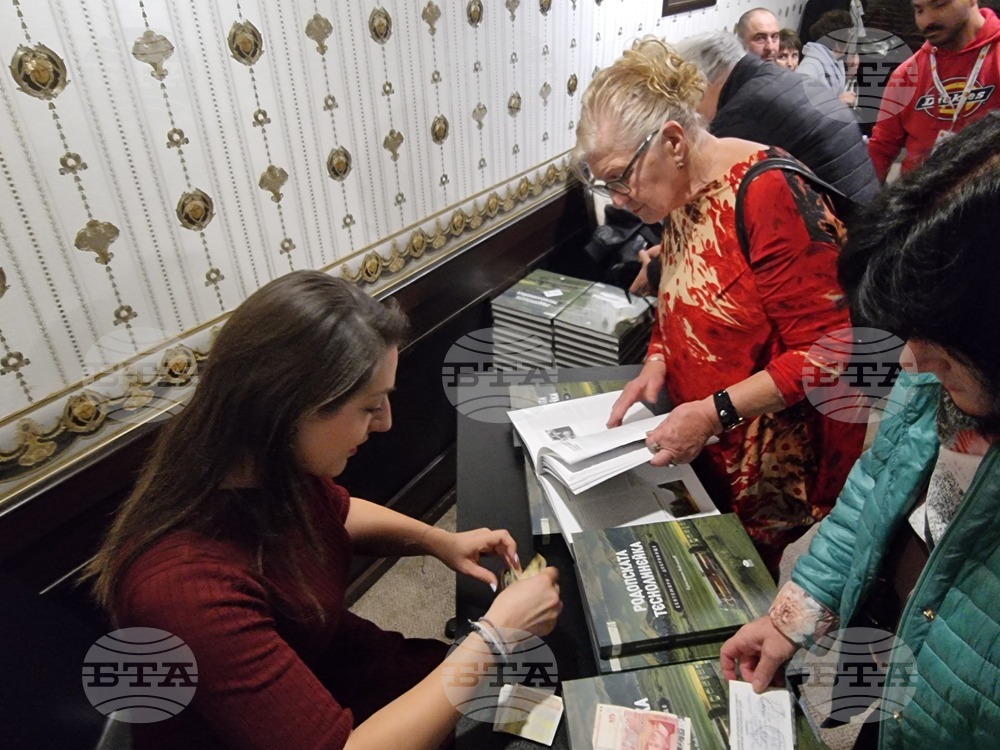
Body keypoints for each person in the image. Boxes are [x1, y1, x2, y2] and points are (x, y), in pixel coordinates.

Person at [84, 271, 562, 750]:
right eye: (370, 406)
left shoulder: (258, 464)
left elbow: (336, 512)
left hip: (327, 659)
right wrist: (495, 637)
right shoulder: (184, 592)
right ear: (289, 408)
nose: (386, 423)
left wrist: (439, 541)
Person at [721, 112, 1000, 749]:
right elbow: (876, 488)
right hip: (906, 687)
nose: (911, 363)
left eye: (941, 346)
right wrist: (791, 618)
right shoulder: (946, 354)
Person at [573, 37, 867, 570]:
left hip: (777, 469)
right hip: (706, 440)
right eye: (603, 182)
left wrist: (713, 412)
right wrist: (659, 357)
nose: (616, 198)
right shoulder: (680, 191)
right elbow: (681, 289)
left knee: (755, 596)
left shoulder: (767, 191)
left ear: (674, 143)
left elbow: (830, 354)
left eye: (619, 177)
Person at [675, 31, 879, 203]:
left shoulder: (741, 111)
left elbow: (714, 198)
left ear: (702, 82)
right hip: (866, 207)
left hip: (842, 229)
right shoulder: (773, 78)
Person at [867, 0, 1000, 181]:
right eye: (919, 10)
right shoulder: (906, 76)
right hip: (918, 201)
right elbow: (881, 148)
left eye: (939, 5)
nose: (927, 20)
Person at [797, 10, 862, 107]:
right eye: (849, 38)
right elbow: (800, 106)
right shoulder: (810, 67)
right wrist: (838, 101)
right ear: (838, 43)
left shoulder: (834, 62)